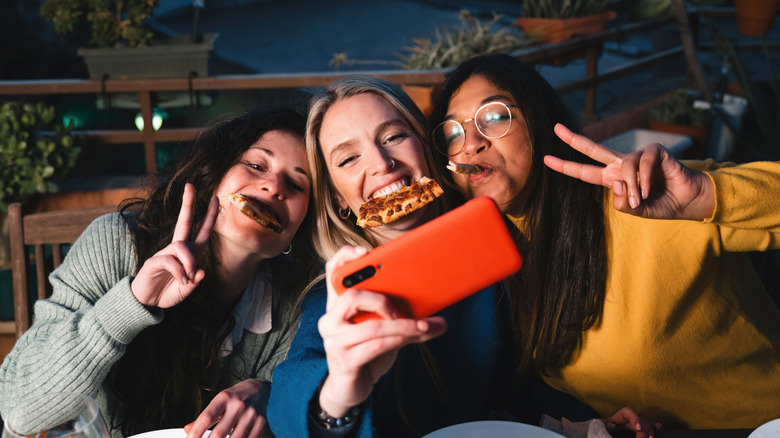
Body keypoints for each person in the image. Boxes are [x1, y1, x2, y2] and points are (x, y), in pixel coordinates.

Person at [266, 76, 655, 438]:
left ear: (425, 147)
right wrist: (336, 396)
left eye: (395, 136)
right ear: (337, 197)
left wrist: (578, 421)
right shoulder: (343, 290)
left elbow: (508, 385)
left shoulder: (485, 249)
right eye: (348, 159)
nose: (382, 164)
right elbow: (294, 391)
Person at [428, 53, 780, 430]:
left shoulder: (644, 201)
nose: (471, 144)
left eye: (494, 117)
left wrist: (703, 197)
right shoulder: (491, 260)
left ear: (539, 118)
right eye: (452, 133)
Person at [0, 107, 320, 438]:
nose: (274, 186)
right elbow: (18, 409)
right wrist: (132, 303)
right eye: (256, 165)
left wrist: (273, 398)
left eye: (297, 183)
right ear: (216, 175)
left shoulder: (298, 303)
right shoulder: (117, 243)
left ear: (300, 227)